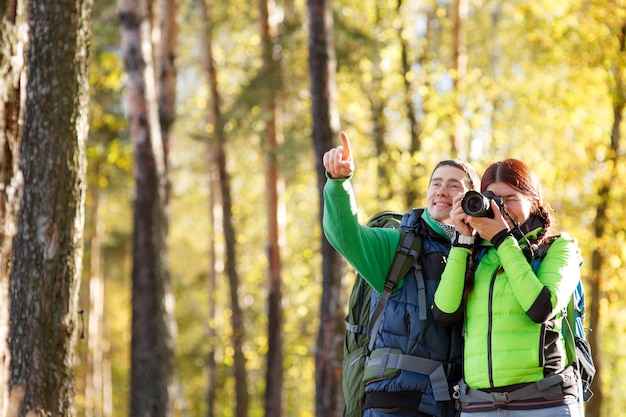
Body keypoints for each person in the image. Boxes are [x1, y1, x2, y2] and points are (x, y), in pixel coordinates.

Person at [323, 131, 480, 417]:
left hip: (456, 406)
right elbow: (345, 236)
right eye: (436, 184)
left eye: (454, 186)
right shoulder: (398, 244)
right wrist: (338, 183)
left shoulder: (480, 255)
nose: (442, 191)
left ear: (472, 198)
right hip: (394, 404)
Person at [433, 158, 582, 416]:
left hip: (542, 404)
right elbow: (445, 312)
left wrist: (503, 238)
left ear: (533, 201)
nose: (500, 208)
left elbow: (539, 308)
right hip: (478, 406)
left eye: (510, 199)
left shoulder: (557, 248)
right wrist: (463, 240)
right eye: (492, 198)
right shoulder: (476, 254)